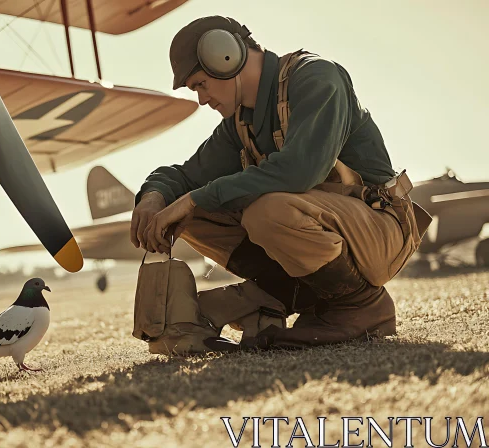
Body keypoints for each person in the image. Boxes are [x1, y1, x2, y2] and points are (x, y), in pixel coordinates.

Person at [129, 16, 430, 350]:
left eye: (201, 84)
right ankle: (297, 294)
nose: (201, 99)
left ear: (224, 56)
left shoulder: (317, 77)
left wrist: (194, 198)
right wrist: (154, 195)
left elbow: (298, 171)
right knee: (187, 213)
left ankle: (360, 307)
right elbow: (185, 177)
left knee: (264, 211)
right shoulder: (239, 122)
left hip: (380, 230)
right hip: (338, 231)